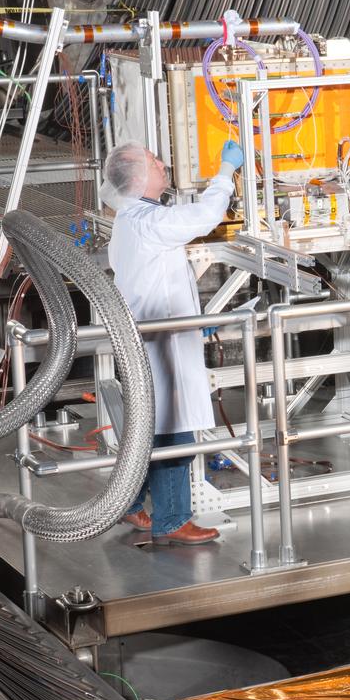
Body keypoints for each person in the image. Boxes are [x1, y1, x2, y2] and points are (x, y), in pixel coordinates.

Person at [101, 139, 245, 544]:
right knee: (172, 432)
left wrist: (192, 320)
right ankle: (173, 519)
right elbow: (206, 216)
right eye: (154, 161)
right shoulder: (149, 222)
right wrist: (225, 171)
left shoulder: (132, 219)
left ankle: (130, 504)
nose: (163, 164)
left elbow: (157, 279)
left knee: (151, 427)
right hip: (161, 343)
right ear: (137, 177)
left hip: (157, 335)